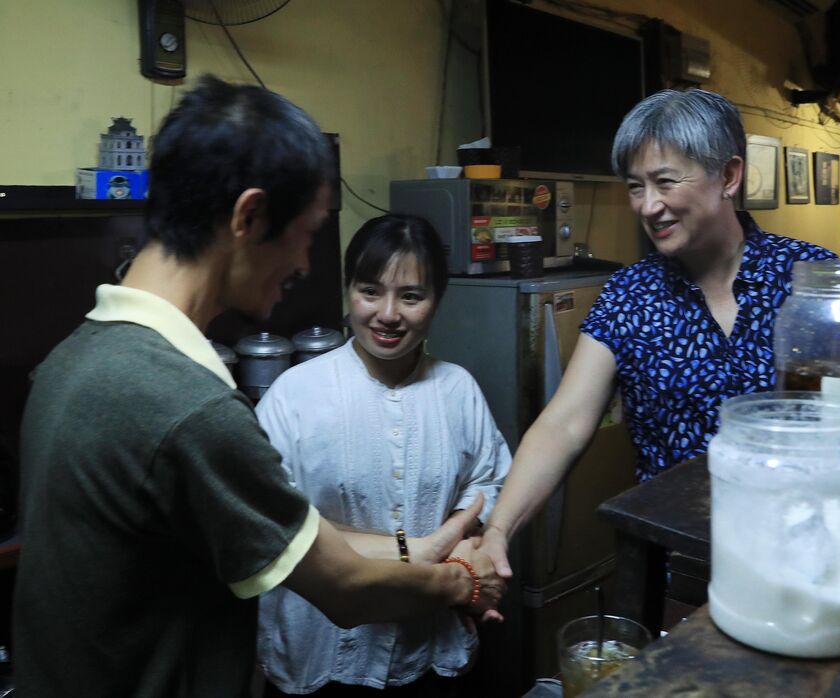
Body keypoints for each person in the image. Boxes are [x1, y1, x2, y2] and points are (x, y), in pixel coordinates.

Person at [13, 75, 497, 697]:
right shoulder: (190, 408)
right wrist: (465, 581)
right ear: (250, 216)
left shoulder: (70, 360)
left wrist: (430, 545)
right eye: (306, 233)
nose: (303, 264)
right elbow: (345, 590)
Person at [476, 88, 838, 581]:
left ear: (728, 176)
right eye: (635, 186)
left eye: (665, 182)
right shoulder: (629, 295)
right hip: (678, 571)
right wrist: (498, 529)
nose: (648, 206)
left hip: (804, 560)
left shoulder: (812, 278)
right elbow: (563, 423)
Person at [255, 214, 511, 696]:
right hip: (319, 655)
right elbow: (270, 523)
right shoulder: (295, 395)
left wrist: (464, 535)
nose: (388, 314)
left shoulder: (457, 389)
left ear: (437, 300)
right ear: (348, 290)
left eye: (411, 296)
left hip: (431, 648)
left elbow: (488, 480)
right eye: (370, 291)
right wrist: (422, 549)